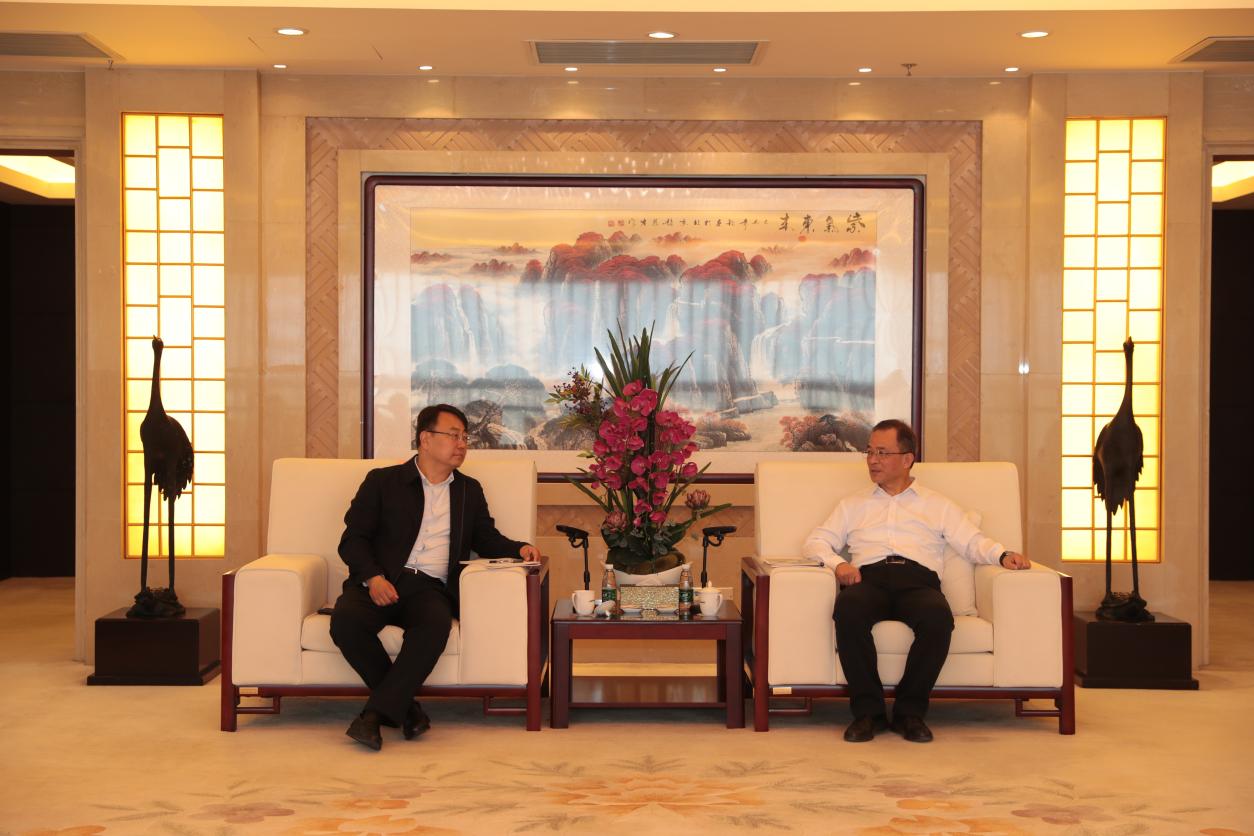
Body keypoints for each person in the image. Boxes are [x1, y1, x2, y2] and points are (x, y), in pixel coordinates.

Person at [802, 418, 1031, 743]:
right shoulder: (852, 505)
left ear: (907, 458)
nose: (872, 460)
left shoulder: (937, 504)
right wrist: (839, 564)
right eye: (869, 452)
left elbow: (971, 540)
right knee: (848, 610)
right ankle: (868, 713)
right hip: (869, 579)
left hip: (918, 582)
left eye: (882, 453)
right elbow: (815, 542)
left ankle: (909, 713)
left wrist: (1002, 554)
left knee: (938, 618)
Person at [330, 404, 541, 750]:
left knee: (434, 625)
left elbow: (485, 538)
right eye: (454, 435)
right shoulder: (382, 482)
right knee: (345, 622)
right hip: (379, 580)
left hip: (428, 587)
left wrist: (520, 547)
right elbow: (353, 539)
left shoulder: (468, 490)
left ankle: (374, 715)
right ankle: (407, 710)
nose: (462, 444)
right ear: (425, 439)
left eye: (465, 437)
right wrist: (373, 577)